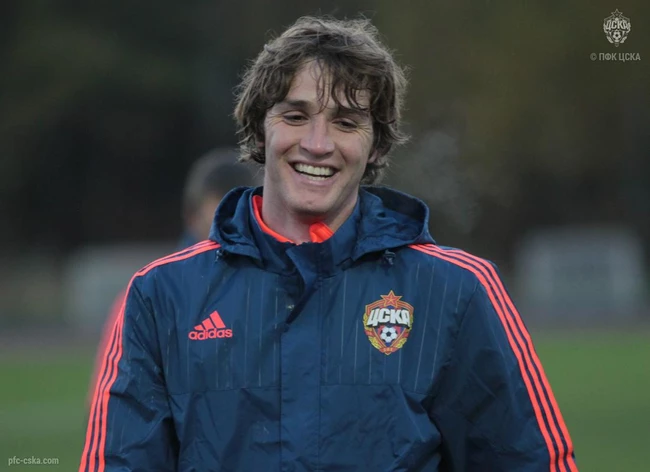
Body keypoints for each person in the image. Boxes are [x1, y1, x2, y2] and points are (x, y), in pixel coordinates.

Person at [80, 16, 578, 471]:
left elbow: (532, 462)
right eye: (296, 116)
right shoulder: (162, 295)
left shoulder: (457, 290)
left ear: (376, 144)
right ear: (260, 128)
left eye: (345, 122)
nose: (318, 144)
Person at [85, 149, 258, 406]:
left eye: (240, 224)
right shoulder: (147, 297)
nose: (228, 240)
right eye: (218, 225)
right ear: (191, 217)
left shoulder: (278, 291)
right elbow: (108, 407)